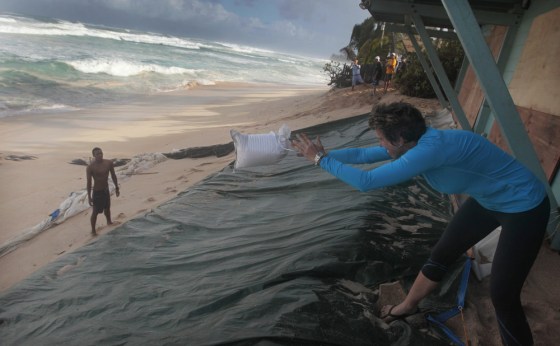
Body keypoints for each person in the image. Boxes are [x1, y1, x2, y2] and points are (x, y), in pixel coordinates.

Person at [291, 102, 550, 345]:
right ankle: (408, 306)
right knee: (441, 255)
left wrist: (321, 161)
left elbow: (366, 182)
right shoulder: (415, 142)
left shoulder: (430, 150)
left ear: (400, 140)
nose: (380, 144)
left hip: (525, 207)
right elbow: (364, 153)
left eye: (382, 138)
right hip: (489, 202)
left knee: (503, 296)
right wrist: (325, 154)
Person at [86, 147, 120, 236]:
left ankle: (109, 222)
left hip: (106, 190)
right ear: (93, 155)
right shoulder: (90, 167)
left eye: (101, 153)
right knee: (95, 212)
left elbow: (113, 175)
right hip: (97, 192)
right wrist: (89, 197)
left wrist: (117, 187)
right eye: (98, 154)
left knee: (107, 207)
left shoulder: (108, 163)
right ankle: (93, 231)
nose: (100, 155)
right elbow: (89, 183)